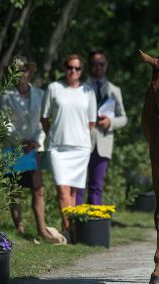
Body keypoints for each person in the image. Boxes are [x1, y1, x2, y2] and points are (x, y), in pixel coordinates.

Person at [0, 56, 59, 243]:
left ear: (29, 71)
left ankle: (42, 228)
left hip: (35, 147)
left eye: (24, 69)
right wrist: (20, 141)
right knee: (15, 189)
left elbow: (44, 122)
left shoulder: (41, 95)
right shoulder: (6, 96)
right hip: (13, 147)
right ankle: (19, 226)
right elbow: (5, 124)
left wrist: (36, 141)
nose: (21, 73)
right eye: (17, 70)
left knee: (38, 188)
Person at [41, 54, 97, 240]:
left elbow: (91, 122)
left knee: (73, 191)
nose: (73, 71)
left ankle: (71, 229)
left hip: (80, 148)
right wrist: (54, 133)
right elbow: (44, 118)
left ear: (81, 71)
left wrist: (79, 135)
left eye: (77, 68)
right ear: (64, 68)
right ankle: (68, 230)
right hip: (57, 147)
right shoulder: (53, 88)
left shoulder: (88, 91)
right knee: (63, 190)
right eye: (70, 67)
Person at [76, 51, 128, 205]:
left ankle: (93, 223)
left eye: (101, 64)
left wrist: (110, 122)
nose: (97, 67)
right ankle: (77, 223)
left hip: (103, 143)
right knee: (78, 186)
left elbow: (123, 118)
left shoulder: (114, 90)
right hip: (82, 141)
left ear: (106, 66)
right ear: (88, 67)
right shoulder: (80, 88)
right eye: (94, 64)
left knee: (96, 186)